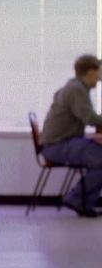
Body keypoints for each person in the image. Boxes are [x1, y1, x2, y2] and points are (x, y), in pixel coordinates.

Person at [41, 54, 102, 217]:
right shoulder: (76, 90)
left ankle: (83, 202)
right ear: (90, 72)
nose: (100, 77)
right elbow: (90, 118)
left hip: (61, 143)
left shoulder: (75, 87)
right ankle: (76, 199)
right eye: (99, 72)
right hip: (58, 145)